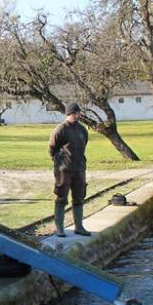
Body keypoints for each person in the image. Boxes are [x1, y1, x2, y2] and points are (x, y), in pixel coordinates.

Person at [48, 102, 91, 238]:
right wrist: (59, 162)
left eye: (78, 113)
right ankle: (60, 228)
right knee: (61, 197)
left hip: (79, 168)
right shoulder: (60, 130)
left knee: (79, 197)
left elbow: (84, 144)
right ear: (68, 114)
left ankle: (79, 226)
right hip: (63, 170)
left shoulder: (82, 130)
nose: (77, 115)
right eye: (74, 113)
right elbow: (52, 148)